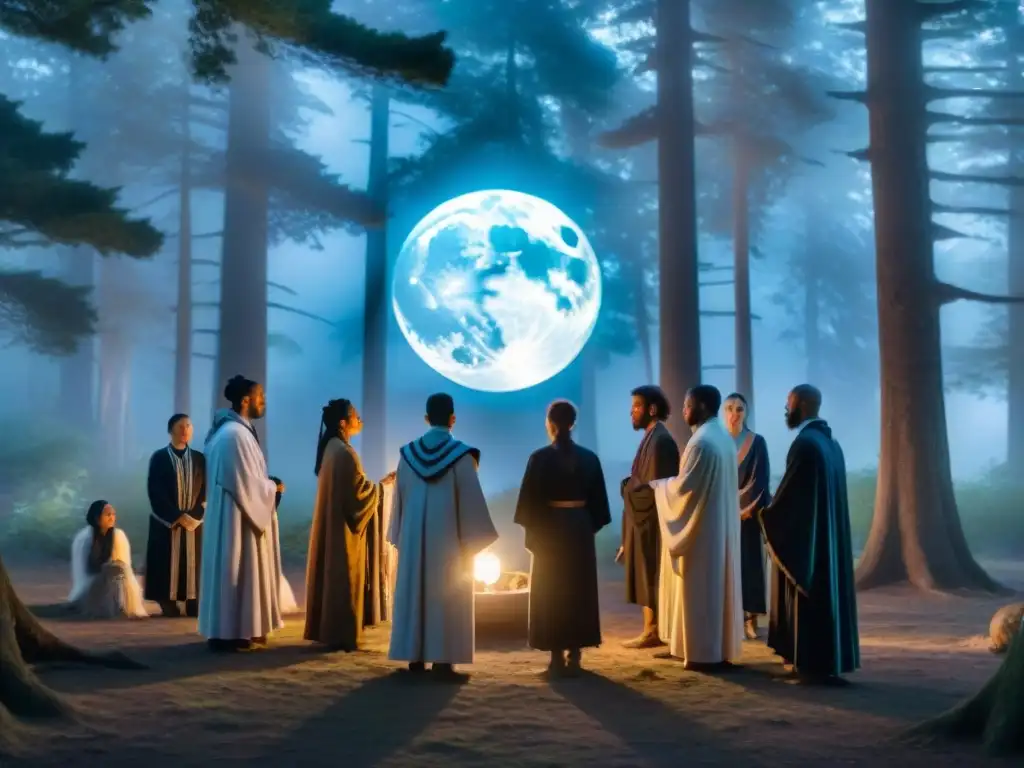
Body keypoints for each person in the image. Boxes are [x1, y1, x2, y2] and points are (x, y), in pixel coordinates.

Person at [387, 392, 498, 681]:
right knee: (446, 595)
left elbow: (398, 502)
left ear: (426, 419)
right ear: (453, 419)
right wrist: (472, 540)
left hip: (413, 540)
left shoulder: (407, 456)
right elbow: (472, 505)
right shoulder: (461, 457)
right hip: (449, 543)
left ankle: (415, 656)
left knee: (415, 590)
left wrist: (402, 534)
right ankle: (443, 659)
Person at [759, 384, 860, 684]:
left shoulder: (805, 444)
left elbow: (792, 501)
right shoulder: (830, 444)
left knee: (809, 598)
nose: (785, 409)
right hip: (826, 543)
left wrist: (765, 515)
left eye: (788, 403)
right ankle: (822, 664)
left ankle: (810, 665)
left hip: (811, 546)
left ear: (801, 405)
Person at [514, 400, 612, 677]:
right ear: (573, 424)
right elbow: (600, 507)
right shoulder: (589, 458)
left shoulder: (539, 458)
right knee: (578, 590)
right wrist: (583, 525)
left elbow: (529, 504)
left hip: (550, 529)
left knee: (551, 591)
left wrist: (538, 532)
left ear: (550, 423)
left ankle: (556, 656)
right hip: (579, 528)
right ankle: (576, 654)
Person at [650, 385, 743, 671]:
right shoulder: (722, 437)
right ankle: (713, 648)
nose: (683, 410)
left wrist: (659, 487)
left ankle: (702, 653)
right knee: (715, 591)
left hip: (702, 533)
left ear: (701, 406)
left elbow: (685, 489)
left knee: (701, 591)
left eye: (688, 405)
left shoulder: (701, 443)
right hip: (719, 529)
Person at [198, 375, 289, 652]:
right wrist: (274, 487)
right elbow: (247, 484)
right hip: (236, 518)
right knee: (236, 568)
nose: (264, 402)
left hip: (232, 514)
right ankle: (235, 630)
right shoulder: (235, 435)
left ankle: (234, 628)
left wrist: (266, 485)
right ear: (245, 400)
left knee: (232, 570)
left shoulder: (228, 432)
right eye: (260, 396)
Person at [304, 399, 395, 651]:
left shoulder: (332, 449)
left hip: (333, 524)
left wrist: (375, 486)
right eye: (356, 416)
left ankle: (332, 631)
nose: (360, 420)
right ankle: (341, 633)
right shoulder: (344, 453)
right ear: (344, 423)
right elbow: (357, 498)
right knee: (343, 576)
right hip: (342, 532)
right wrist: (383, 488)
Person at [618, 385, 680, 648]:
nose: (631, 412)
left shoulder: (661, 441)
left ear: (651, 409)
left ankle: (653, 630)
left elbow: (655, 486)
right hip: (642, 519)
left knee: (650, 573)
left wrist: (627, 487)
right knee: (645, 573)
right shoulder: (652, 437)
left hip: (652, 522)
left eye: (636, 406)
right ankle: (650, 628)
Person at [144, 413, 206, 618]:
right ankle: (167, 600)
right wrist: (176, 516)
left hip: (195, 522)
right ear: (171, 430)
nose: (185, 430)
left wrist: (196, 514)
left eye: (189, 425)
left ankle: (193, 599)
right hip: (168, 522)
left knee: (194, 562)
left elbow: (206, 489)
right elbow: (155, 490)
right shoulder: (160, 457)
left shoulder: (199, 458)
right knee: (166, 561)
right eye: (180, 426)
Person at [722, 393, 771, 640]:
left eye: (739, 409)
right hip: (721, 516)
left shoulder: (756, 442)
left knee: (750, 565)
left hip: (747, 516)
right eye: (729, 408)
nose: (734, 414)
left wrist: (742, 508)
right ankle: (731, 618)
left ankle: (751, 619)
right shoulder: (717, 442)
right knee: (727, 566)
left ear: (746, 413)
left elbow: (759, 480)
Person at [68, 500, 148, 619]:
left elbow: (125, 563)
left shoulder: (118, 535)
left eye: (113, 514)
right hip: (93, 580)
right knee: (113, 571)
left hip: (117, 577)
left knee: (121, 570)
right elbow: (85, 570)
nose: (112, 518)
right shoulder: (85, 538)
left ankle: (123, 605)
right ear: (96, 518)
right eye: (107, 515)